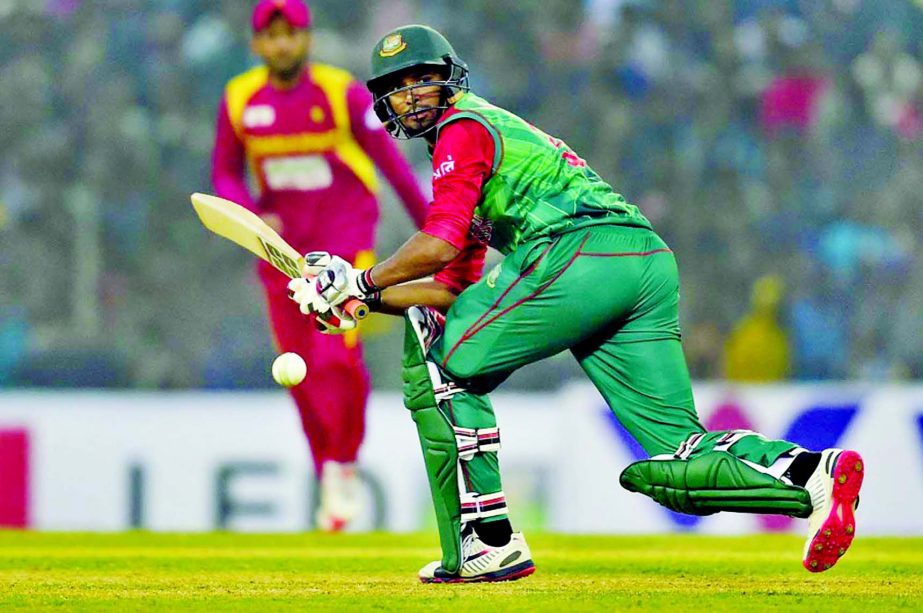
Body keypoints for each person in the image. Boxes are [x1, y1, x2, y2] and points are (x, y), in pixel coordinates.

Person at [287, 25, 865, 583]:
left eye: (421, 79)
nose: (411, 95)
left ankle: (487, 542)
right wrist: (360, 298)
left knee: (440, 357)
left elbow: (435, 244)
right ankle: (815, 474)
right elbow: (453, 287)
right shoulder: (471, 145)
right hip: (642, 261)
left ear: (450, 80)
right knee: (679, 454)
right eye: (397, 86)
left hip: (579, 252)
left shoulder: (462, 127)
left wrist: (358, 280)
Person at [210, 0, 432, 532]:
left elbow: (394, 169)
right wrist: (252, 212)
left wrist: (440, 231)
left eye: (292, 34)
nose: (282, 44)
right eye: (272, 35)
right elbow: (224, 174)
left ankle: (346, 463)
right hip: (280, 254)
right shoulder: (240, 100)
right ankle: (327, 471)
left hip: (342, 247)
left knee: (334, 358)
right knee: (298, 373)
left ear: (307, 39)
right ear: (257, 43)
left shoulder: (342, 93)